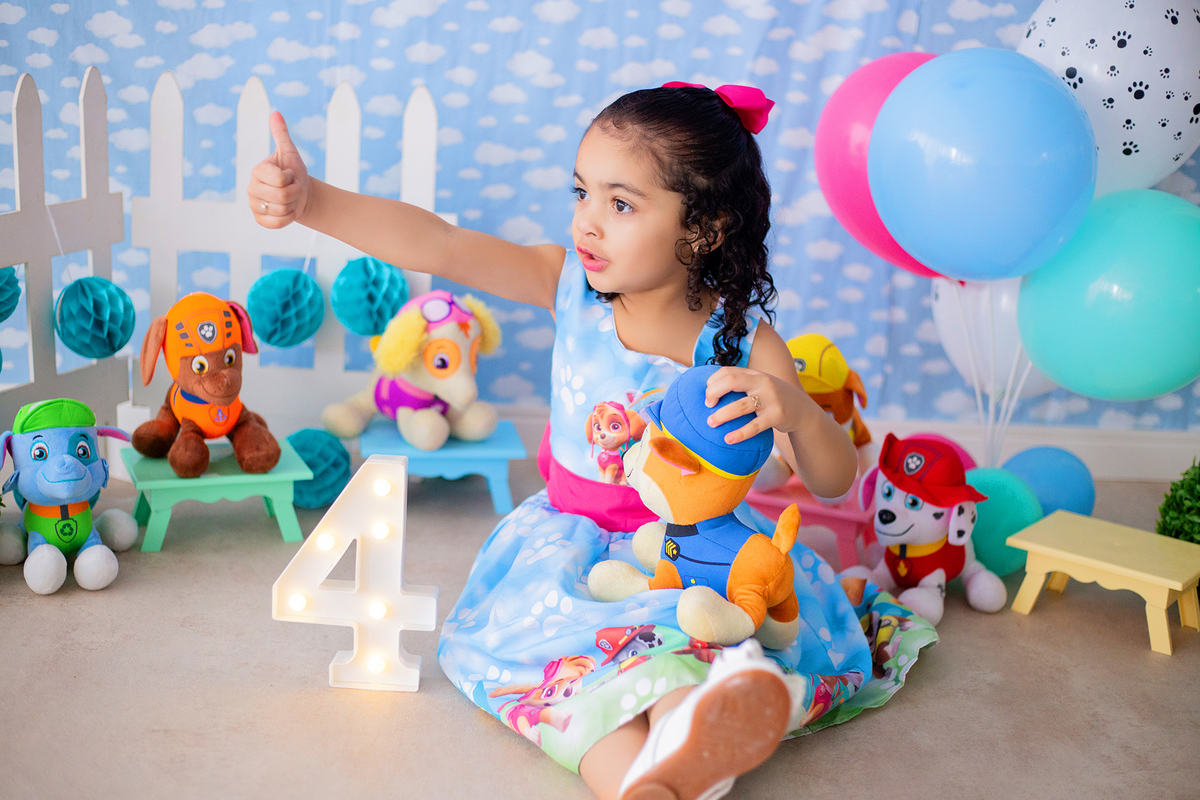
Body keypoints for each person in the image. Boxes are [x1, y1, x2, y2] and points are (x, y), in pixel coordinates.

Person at [249, 82, 933, 800]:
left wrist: (794, 411)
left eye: (621, 203)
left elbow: (829, 481)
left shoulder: (741, 343)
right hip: (572, 542)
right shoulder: (565, 283)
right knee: (573, 679)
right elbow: (440, 245)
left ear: (704, 229)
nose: (587, 224)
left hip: (693, 551)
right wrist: (312, 201)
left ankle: (695, 729)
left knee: (689, 647)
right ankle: (639, 784)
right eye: (582, 193)